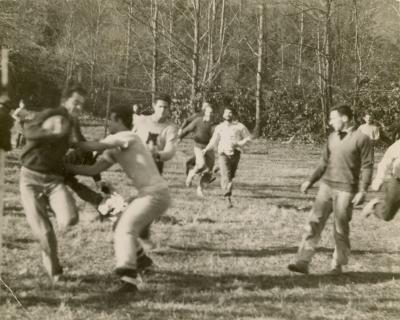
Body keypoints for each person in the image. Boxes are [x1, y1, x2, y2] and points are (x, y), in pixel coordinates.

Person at [19, 85, 124, 282]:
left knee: (69, 219)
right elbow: (29, 132)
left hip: (53, 179)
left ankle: (49, 206)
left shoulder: (73, 122)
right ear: (65, 101)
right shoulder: (50, 114)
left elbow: (82, 144)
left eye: (81, 105)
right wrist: (50, 131)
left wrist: (109, 144)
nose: (78, 108)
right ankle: (55, 272)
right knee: (45, 231)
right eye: (75, 102)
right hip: (30, 179)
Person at [66, 104, 171, 294]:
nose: (109, 123)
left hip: (156, 193)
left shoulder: (128, 136)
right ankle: (143, 262)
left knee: (124, 229)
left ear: (120, 121)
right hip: (151, 194)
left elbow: (96, 145)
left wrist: (68, 144)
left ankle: (129, 281)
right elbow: (93, 170)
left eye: (111, 120)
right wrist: (67, 170)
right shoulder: (116, 145)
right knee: (120, 226)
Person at [288, 104, 373, 275]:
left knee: (340, 228)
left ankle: (337, 264)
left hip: (346, 191)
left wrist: (363, 190)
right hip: (326, 187)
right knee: (314, 223)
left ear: (345, 118)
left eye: (333, 118)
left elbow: (367, 166)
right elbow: (323, 163)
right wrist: (310, 181)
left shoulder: (362, 139)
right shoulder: (332, 137)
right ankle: (302, 261)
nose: (330, 122)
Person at [202, 106, 251, 208]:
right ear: (223, 115)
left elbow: (249, 139)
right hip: (223, 153)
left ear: (233, 114)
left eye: (230, 113)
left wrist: (240, 143)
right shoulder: (219, 127)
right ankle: (227, 198)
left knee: (230, 176)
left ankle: (215, 170)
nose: (228, 114)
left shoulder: (239, 126)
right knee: (226, 177)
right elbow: (213, 140)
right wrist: (206, 149)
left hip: (235, 154)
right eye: (226, 113)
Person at [178, 102, 215, 197]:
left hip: (209, 148)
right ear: (205, 112)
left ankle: (200, 189)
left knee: (209, 170)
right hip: (198, 146)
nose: (210, 114)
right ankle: (191, 173)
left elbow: (218, 136)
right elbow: (187, 129)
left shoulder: (214, 125)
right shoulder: (198, 121)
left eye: (211, 112)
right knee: (201, 164)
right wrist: (180, 137)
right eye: (208, 112)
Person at [362, 139, 400, 221]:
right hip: (397, 183)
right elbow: (385, 162)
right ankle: (374, 206)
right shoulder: (398, 145)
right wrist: (379, 179)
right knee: (386, 215)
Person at [179, 102, 206, 176]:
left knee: (201, 160)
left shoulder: (206, 116)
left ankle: (198, 174)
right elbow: (187, 122)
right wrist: (181, 131)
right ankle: (195, 173)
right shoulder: (198, 116)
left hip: (204, 143)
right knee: (199, 159)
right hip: (200, 142)